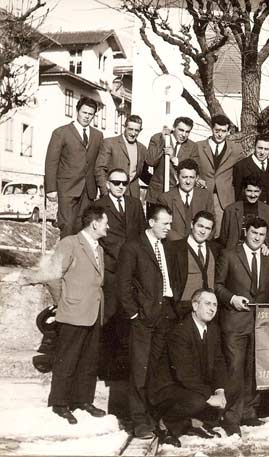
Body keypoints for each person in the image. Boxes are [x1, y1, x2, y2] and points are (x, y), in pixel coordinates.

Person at [38, 205, 109, 424]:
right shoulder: (69, 243)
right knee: (67, 359)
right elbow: (52, 276)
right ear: (94, 223)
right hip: (73, 312)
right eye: (106, 222)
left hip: (94, 311)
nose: (108, 226)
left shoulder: (99, 248)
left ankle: (83, 401)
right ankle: (60, 404)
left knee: (89, 360)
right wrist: (64, 302)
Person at [117, 204, 178, 438]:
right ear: (151, 222)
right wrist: (134, 313)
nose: (168, 228)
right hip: (143, 318)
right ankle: (140, 421)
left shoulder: (165, 246)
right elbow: (123, 285)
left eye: (170, 224)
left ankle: (154, 416)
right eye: (165, 223)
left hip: (164, 316)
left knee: (156, 371)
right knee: (140, 371)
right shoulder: (133, 247)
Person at [215, 217, 269, 436]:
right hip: (234, 322)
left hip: (260, 323)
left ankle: (249, 413)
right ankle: (231, 417)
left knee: (254, 368)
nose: (257, 238)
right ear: (245, 232)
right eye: (254, 233)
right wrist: (232, 298)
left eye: (262, 235)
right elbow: (218, 286)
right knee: (235, 369)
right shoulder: (229, 254)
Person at [94, 168, 146, 420]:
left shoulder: (135, 204)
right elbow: (102, 238)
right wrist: (125, 255)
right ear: (107, 184)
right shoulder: (100, 205)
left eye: (124, 183)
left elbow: (140, 232)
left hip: (132, 270)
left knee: (127, 317)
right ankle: (106, 369)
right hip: (112, 268)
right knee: (110, 316)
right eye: (116, 183)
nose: (120, 187)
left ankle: (122, 368)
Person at [148, 288, 227, 447]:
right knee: (198, 401)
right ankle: (165, 425)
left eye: (215, 305)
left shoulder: (213, 330)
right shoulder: (180, 331)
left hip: (190, 386)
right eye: (207, 304)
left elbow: (219, 362)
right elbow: (184, 374)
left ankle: (193, 423)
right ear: (195, 305)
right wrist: (209, 397)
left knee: (227, 389)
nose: (212, 308)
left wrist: (220, 391)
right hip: (168, 388)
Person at [45, 96, 103, 238]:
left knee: (84, 229)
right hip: (67, 188)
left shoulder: (98, 135)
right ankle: (65, 259)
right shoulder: (61, 133)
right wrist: (51, 188)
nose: (87, 117)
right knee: (67, 226)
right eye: (84, 113)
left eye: (90, 114)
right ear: (77, 111)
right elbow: (51, 162)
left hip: (88, 190)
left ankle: (79, 259)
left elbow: (98, 163)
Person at [195, 114, 246, 238]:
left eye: (223, 131)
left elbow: (244, 169)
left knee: (220, 234)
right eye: (217, 130)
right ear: (212, 129)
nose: (220, 134)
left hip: (224, 198)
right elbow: (191, 167)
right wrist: (197, 179)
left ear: (228, 132)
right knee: (201, 231)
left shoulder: (235, 149)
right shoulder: (198, 146)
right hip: (202, 194)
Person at [168, 211, 221, 317]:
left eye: (207, 228)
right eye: (200, 226)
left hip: (209, 310)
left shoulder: (216, 249)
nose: (203, 231)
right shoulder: (174, 248)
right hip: (182, 309)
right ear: (192, 225)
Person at [156, 159, 214, 241]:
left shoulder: (206, 196)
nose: (188, 181)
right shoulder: (165, 198)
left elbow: (212, 224)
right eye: (184, 177)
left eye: (191, 177)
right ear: (177, 176)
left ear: (197, 178)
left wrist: (200, 242)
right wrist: (181, 245)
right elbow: (164, 227)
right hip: (174, 246)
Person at [145, 116, 199, 204]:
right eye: (181, 130)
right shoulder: (158, 138)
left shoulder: (192, 146)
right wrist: (163, 142)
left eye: (187, 132)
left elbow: (194, 170)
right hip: (157, 194)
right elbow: (150, 161)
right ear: (174, 127)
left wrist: (175, 160)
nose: (184, 135)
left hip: (179, 196)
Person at [95, 114, 148, 199]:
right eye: (130, 129)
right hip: (112, 194)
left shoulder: (142, 149)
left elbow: (143, 174)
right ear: (125, 127)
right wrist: (105, 192)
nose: (133, 133)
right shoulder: (109, 143)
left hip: (133, 197)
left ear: (140, 130)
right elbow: (100, 169)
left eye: (136, 130)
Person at [219, 175, 269, 252]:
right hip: (234, 253)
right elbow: (224, 237)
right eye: (249, 191)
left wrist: (264, 245)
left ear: (261, 191)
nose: (253, 195)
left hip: (257, 251)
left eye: (256, 191)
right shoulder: (230, 210)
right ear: (244, 190)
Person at [233, 134, 269, 208]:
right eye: (260, 148)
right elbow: (237, 194)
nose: (262, 152)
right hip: (249, 211)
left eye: (266, 149)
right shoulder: (241, 166)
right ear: (254, 146)